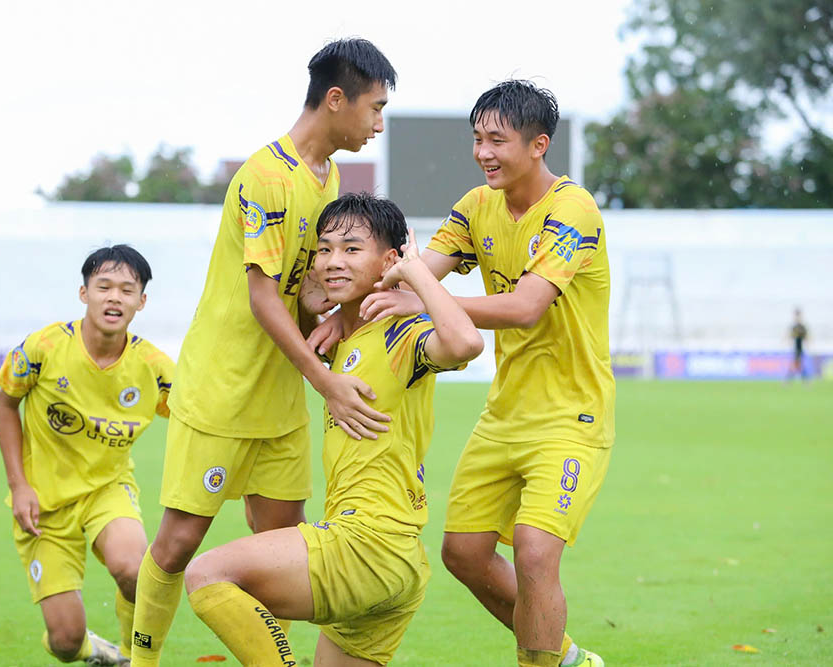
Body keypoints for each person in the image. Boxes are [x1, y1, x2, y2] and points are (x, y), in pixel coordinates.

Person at [312, 80, 614, 667]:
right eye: (477, 139)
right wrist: (338, 320)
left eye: (497, 140)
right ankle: (567, 656)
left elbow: (527, 307)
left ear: (538, 144)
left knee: (533, 552)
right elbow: (404, 273)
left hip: (571, 418)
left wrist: (426, 299)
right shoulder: (477, 207)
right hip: (503, 415)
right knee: (463, 555)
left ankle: (542, 663)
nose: (483, 153)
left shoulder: (572, 209)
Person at [129, 39, 397, 666]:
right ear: (337, 100)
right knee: (177, 544)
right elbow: (261, 297)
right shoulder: (266, 176)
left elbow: (301, 290)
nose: (379, 124)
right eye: (375, 108)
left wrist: (329, 318)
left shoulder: (327, 176)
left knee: (278, 550)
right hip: (224, 390)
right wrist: (326, 381)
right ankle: (141, 661)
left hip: (279, 399)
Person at [183, 192, 483, 666]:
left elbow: (466, 341)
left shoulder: (400, 332)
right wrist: (324, 310)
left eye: (350, 248)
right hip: (396, 561)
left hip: (366, 545)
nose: (331, 261)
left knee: (208, 575)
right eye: (324, 249)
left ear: (389, 258)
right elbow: (301, 297)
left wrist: (415, 273)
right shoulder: (342, 338)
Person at [0, 245, 175, 666]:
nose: (114, 297)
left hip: (107, 490)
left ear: (141, 301)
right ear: (84, 293)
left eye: (127, 290)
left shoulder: (153, 366)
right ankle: (96, 651)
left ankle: (134, 657)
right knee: (65, 642)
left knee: (135, 569)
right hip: (45, 504)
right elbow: (5, 405)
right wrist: (19, 487)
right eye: (104, 287)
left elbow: (192, 417)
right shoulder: (43, 347)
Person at [788, 307, 809, 381]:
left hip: (800, 348)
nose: (797, 317)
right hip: (796, 348)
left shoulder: (802, 327)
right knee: (797, 365)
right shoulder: (794, 326)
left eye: (798, 315)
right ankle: (805, 380)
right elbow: (790, 336)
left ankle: (788, 380)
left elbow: (806, 337)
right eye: (796, 315)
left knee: (796, 365)